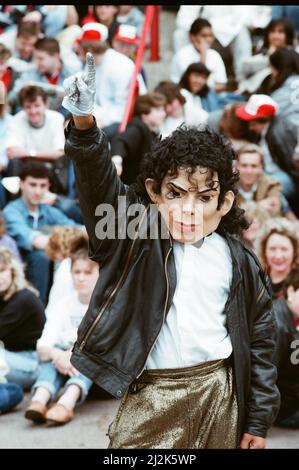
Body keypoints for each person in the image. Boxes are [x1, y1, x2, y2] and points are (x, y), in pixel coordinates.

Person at [60, 53, 280, 449]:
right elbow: (99, 186)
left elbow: (262, 341)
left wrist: (258, 421)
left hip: (221, 394)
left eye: (203, 197)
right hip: (151, 396)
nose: (187, 209)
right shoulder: (131, 240)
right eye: (175, 194)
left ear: (224, 203)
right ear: (154, 194)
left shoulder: (240, 261)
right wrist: (84, 124)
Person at [25, 235, 99, 425]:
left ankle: (66, 404)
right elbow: (43, 347)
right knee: (57, 348)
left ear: (99, 273)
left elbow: (105, 345)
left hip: (98, 377)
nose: (81, 277)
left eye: (87, 272)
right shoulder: (63, 305)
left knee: (88, 352)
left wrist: (72, 354)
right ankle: (40, 400)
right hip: (64, 368)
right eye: (77, 272)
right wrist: (59, 354)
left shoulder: (104, 306)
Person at [3, 162, 80, 304]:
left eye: (43, 186)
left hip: (50, 258)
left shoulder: (47, 210)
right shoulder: (12, 210)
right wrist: (61, 243)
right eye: (33, 185)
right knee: (41, 256)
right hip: (21, 264)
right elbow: (33, 239)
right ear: (22, 184)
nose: (38, 191)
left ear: (48, 187)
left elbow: (77, 229)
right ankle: (40, 307)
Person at [0, 247, 46, 390]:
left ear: (12, 271)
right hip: (10, 358)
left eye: (2, 270)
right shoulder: (4, 295)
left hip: (32, 363)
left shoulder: (23, 298)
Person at [5, 85, 65, 178]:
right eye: (28, 107)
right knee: (14, 163)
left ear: (46, 104)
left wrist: (29, 153)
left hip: (50, 166)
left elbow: (60, 154)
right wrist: (46, 154)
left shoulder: (57, 118)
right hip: (26, 167)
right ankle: (16, 192)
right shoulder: (16, 120)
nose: (33, 111)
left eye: (37, 106)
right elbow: (12, 152)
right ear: (22, 108)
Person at [110, 92, 166, 184]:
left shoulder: (150, 133)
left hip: (134, 190)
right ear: (144, 112)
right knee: (121, 199)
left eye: (163, 109)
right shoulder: (137, 128)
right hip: (125, 191)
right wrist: (117, 161)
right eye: (158, 110)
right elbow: (119, 141)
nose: (163, 114)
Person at [272, 266, 299, 429]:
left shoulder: (291, 315)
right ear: (290, 291)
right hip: (285, 408)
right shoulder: (277, 324)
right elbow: (267, 373)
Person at [170, 18, 227, 91]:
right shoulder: (183, 55)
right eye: (204, 36)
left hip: (209, 94)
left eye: (210, 36)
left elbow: (221, 84)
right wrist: (203, 55)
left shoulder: (215, 55)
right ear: (193, 37)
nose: (208, 39)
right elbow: (193, 85)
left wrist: (209, 90)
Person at [257, 218, 299, 300]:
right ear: (264, 251)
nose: (278, 256)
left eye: (284, 249)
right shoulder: (258, 281)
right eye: (272, 249)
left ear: (294, 251)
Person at [235, 143, 282, 217]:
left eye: (254, 166)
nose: (249, 171)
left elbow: (273, 213)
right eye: (244, 165)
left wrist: (241, 209)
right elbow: (228, 216)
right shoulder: (229, 186)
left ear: (261, 167)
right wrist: (259, 206)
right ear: (236, 166)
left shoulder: (271, 184)